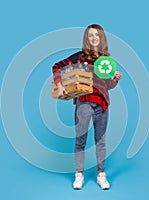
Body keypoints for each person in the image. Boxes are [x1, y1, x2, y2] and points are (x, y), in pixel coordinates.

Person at [52, 24, 122, 190]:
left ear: (101, 38)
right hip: (83, 103)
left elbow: (106, 85)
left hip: (102, 103)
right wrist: (59, 84)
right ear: (87, 38)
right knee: (80, 140)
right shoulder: (79, 56)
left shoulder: (106, 60)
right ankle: (79, 175)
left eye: (97, 35)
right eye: (90, 35)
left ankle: (101, 175)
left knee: (101, 141)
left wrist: (115, 80)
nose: (94, 38)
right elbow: (57, 66)